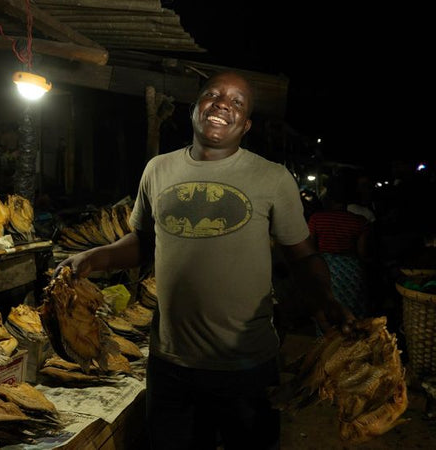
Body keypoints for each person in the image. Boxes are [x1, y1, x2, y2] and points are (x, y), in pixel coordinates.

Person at [55, 70, 354, 450]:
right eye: (213, 95)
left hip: (246, 364)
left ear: (245, 125)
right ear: (195, 109)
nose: (222, 104)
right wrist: (93, 258)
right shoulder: (158, 169)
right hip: (170, 363)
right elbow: (145, 242)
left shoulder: (272, 178)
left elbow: (302, 256)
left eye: (236, 102)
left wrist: (324, 299)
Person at [308, 175, 372, 321]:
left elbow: (310, 249)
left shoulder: (316, 219)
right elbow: (362, 253)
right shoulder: (360, 221)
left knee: (329, 314)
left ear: (328, 197)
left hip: (325, 270)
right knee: (355, 313)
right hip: (352, 271)